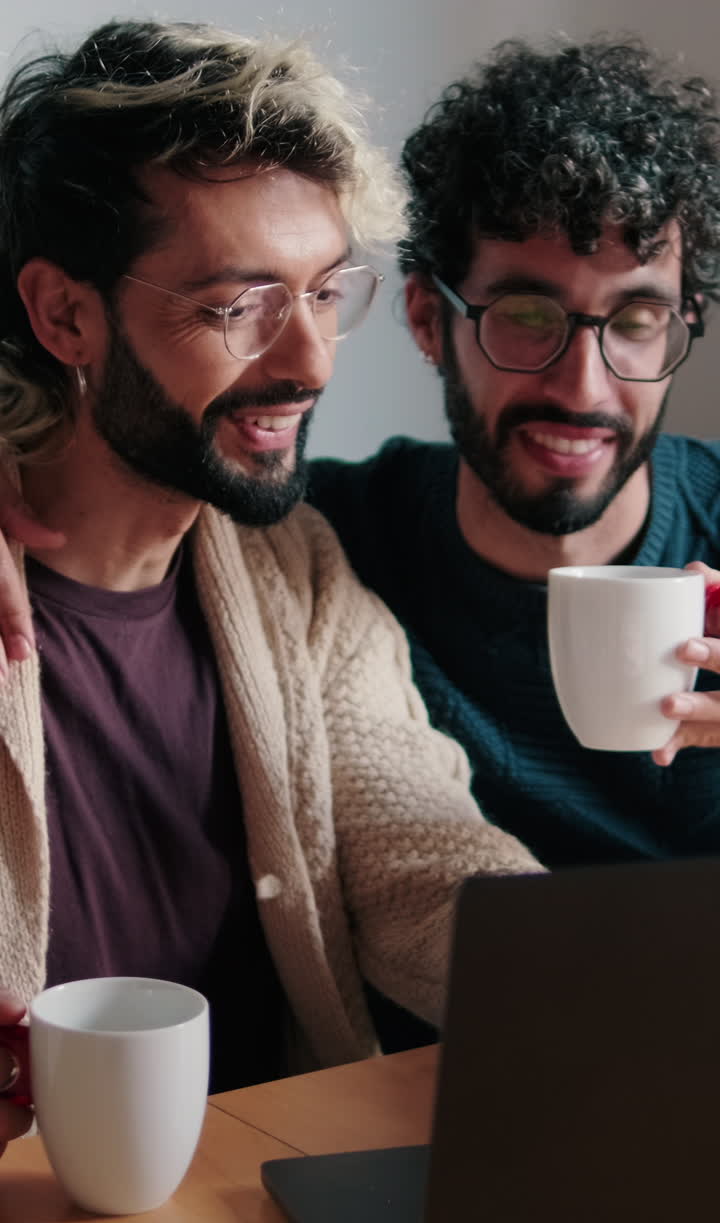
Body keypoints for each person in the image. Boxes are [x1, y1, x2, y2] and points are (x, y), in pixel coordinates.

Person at [0, 19, 542, 1159]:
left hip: (263, 1198)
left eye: (326, 291)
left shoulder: (297, 571)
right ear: (64, 315)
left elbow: (423, 859)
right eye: (238, 305)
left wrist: (605, 978)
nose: (310, 360)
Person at [306, 35, 720, 869]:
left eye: (637, 322)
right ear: (428, 319)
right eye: (528, 316)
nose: (584, 388)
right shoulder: (322, 545)